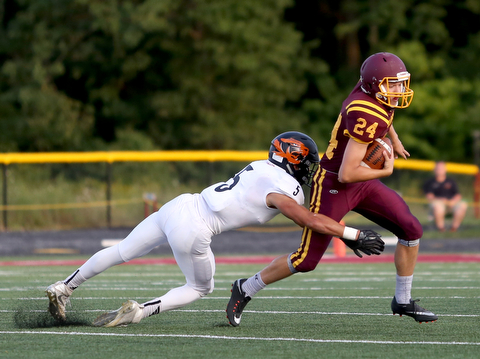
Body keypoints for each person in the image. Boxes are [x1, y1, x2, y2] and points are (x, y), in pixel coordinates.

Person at [45, 131, 385, 327]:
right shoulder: (283, 188)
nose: (309, 170)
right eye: (307, 163)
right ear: (294, 161)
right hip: (196, 227)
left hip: (180, 205)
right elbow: (308, 220)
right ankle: (140, 312)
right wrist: (353, 234)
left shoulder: (260, 166)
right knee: (200, 287)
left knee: (121, 251)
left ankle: (66, 286)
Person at [226, 52, 438, 327]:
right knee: (306, 260)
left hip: (362, 180)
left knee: (411, 229)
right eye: (393, 85)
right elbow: (348, 173)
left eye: (400, 83)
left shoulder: (371, 90)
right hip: (335, 184)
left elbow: (386, 115)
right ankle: (246, 287)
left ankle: (403, 300)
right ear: (375, 85)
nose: (399, 90)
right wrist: (386, 170)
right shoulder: (364, 111)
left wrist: (393, 138)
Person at [423, 161, 468, 232]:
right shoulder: (430, 182)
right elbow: (429, 196)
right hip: (438, 203)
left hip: (451, 203)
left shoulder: (451, 181)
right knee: (438, 206)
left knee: (463, 205)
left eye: (441, 168)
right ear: (434, 170)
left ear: (445, 169)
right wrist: (442, 200)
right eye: (438, 168)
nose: (439, 170)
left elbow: (458, 195)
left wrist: (453, 201)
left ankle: (454, 228)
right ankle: (441, 229)